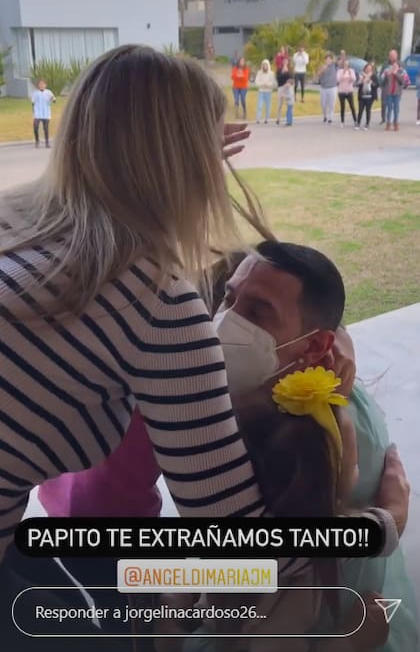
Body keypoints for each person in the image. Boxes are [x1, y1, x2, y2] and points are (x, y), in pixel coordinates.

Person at [0, 45, 281, 648]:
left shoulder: (15, 220)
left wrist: (182, 149)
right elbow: (237, 551)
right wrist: (379, 522)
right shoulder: (155, 304)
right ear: (190, 164)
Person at [156, 242, 415, 652]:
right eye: (229, 296)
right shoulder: (213, 406)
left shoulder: (324, 435)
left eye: (257, 312)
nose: (225, 321)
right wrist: (388, 524)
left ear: (315, 347)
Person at [380, 50, 408, 131]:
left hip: (397, 92)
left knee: (396, 108)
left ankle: (396, 123)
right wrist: (387, 74)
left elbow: (403, 81)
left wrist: (396, 73)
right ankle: (388, 123)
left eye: (393, 55)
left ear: (397, 56)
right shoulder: (386, 67)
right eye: (390, 55)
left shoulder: (401, 67)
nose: (392, 57)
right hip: (388, 92)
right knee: (389, 108)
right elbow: (381, 79)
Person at [31, 79, 55, 148]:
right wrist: (34, 112)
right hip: (37, 114)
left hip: (46, 113)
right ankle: (37, 141)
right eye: (40, 84)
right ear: (38, 85)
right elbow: (33, 103)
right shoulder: (35, 93)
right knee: (35, 127)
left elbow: (53, 99)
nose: (41, 85)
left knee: (46, 128)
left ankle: (47, 143)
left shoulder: (48, 92)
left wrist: (52, 99)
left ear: (45, 85)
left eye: (43, 84)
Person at [356, 63, 379, 130]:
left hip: (370, 96)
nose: (368, 70)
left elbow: (377, 85)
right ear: (365, 69)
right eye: (367, 68)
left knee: (368, 110)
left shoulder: (373, 76)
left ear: (371, 69)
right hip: (362, 95)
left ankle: (367, 124)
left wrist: (370, 81)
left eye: (369, 69)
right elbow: (357, 84)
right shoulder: (361, 75)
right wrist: (361, 81)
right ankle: (358, 123)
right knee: (360, 110)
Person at [337, 60, 357, 128]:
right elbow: (338, 80)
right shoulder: (340, 71)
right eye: (345, 64)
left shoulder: (351, 70)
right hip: (341, 91)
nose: (346, 66)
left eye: (347, 64)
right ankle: (342, 122)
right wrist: (343, 73)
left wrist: (349, 73)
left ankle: (355, 121)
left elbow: (354, 79)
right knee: (342, 107)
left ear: (349, 65)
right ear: (343, 65)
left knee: (352, 106)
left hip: (349, 91)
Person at [318, 54, 338, 123]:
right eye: (327, 59)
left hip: (332, 87)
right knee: (323, 104)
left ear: (332, 60)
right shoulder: (322, 66)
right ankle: (325, 116)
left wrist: (342, 54)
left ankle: (330, 118)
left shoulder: (334, 65)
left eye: (330, 59)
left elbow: (339, 60)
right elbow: (318, 75)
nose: (328, 60)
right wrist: (322, 70)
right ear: (325, 60)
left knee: (332, 104)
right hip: (323, 88)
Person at [255, 59, 276, 123]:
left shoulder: (271, 73)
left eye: (266, 65)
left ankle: (266, 119)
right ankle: (258, 118)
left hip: (268, 91)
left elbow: (273, 82)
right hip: (261, 91)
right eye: (264, 65)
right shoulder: (259, 72)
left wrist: (268, 85)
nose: (265, 66)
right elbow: (256, 81)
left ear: (268, 66)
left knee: (268, 106)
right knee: (260, 105)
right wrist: (262, 84)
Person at [276, 60, 292, 125]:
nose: (285, 63)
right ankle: (278, 119)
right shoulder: (279, 70)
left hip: (287, 88)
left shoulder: (290, 70)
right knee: (280, 104)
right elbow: (278, 79)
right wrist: (282, 72)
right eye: (284, 61)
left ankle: (288, 120)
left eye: (286, 61)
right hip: (281, 88)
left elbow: (291, 79)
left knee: (289, 104)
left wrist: (287, 72)